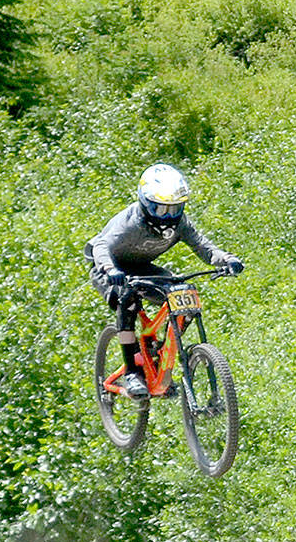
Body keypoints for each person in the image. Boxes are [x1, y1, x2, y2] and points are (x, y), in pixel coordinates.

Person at [84, 163, 243, 399]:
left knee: (184, 297)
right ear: (146, 203)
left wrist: (227, 259)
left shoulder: (180, 223)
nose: (168, 215)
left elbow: (203, 246)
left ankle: (158, 356)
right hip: (108, 267)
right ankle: (132, 371)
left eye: (175, 208)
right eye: (161, 209)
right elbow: (100, 246)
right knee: (127, 300)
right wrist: (109, 269)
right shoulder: (130, 222)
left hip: (142, 267)